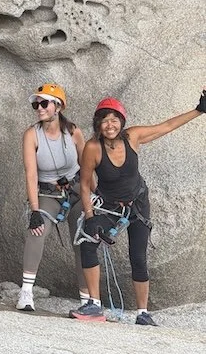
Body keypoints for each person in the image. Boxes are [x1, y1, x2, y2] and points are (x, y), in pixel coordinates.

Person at [69, 91, 206, 325]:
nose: (109, 124)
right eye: (104, 120)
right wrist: (90, 216)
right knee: (88, 240)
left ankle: (143, 313)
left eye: (114, 119)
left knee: (138, 257)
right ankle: (94, 306)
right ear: (98, 124)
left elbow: (166, 126)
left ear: (122, 122)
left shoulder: (133, 137)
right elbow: (84, 184)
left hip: (138, 204)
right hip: (110, 207)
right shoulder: (93, 147)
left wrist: (199, 110)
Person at [17, 83, 87, 312]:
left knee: (83, 237)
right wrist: (35, 210)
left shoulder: (74, 132)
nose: (39, 108)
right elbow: (30, 174)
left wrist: (95, 197)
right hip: (48, 193)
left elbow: (87, 167)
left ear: (58, 106)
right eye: (36, 104)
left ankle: (87, 300)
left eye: (44, 103)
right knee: (37, 232)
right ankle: (26, 292)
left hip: (75, 190)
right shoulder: (31, 134)